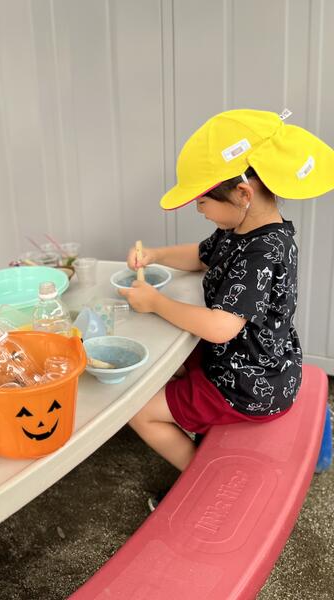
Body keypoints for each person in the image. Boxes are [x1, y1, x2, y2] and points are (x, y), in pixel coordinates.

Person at [119, 109, 334, 494]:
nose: (199, 209)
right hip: (260, 363)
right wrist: (155, 255)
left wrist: (155, 302)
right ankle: (200, 446)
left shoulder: (261, 251)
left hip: (249, 386)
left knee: (138, 412)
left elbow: (221, 327)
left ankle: (203, 482)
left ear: (242, 194)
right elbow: (201, 256)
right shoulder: (242, 229)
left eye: (202, 201)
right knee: (167, 363)